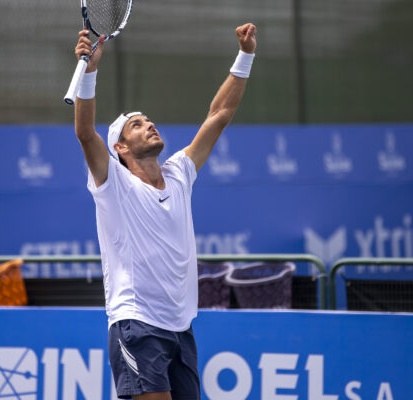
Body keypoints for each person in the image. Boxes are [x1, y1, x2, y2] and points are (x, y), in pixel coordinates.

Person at [72, 22, 257, 400]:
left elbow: (218, 114)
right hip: (137, 325)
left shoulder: (178, 173)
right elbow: (85, 133)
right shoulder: (113, 184)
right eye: (136, 126)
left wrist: (246, 55)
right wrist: (89, 72)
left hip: (180, 329)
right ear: (120, 149)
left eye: (148, 120)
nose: (149, 125)